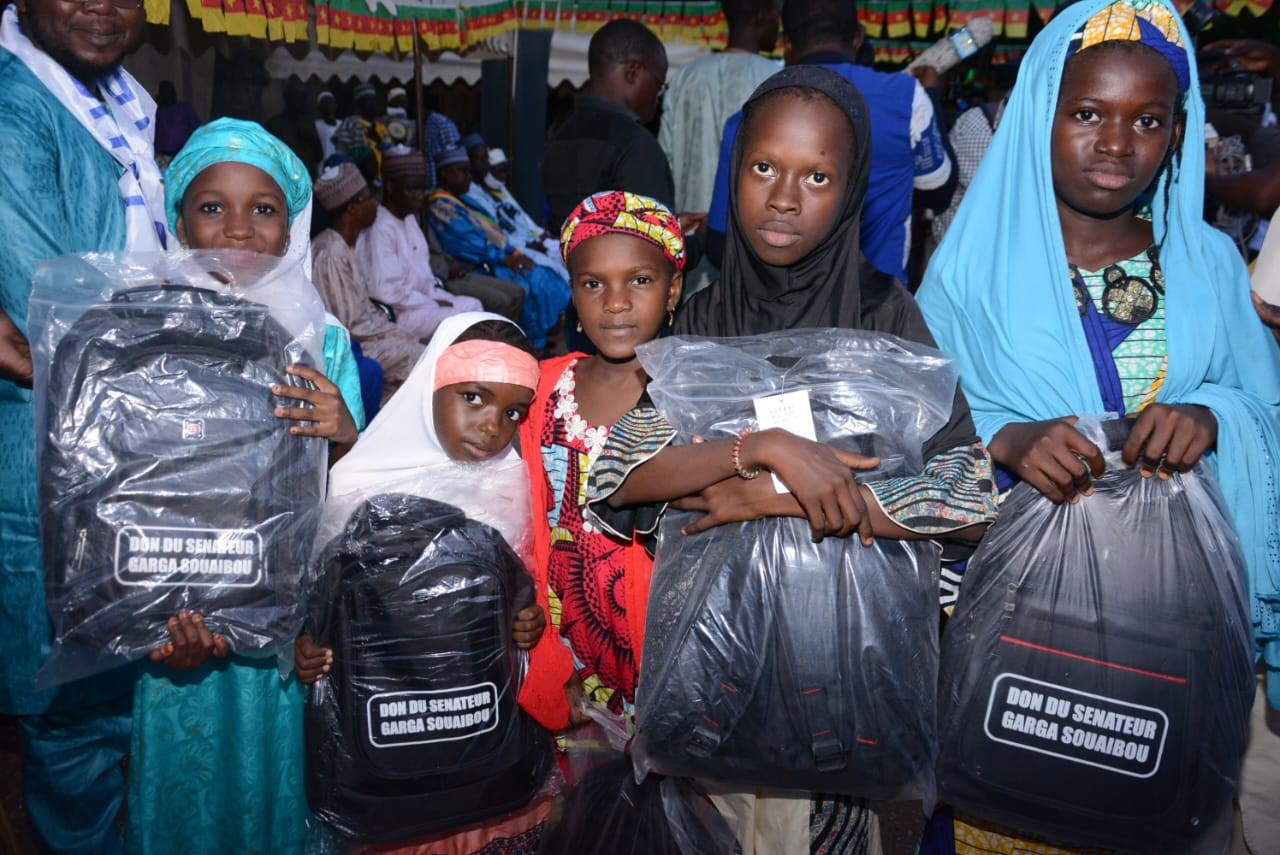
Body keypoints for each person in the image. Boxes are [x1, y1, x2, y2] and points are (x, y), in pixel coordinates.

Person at [589, 67, 997, 855]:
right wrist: (760, 450)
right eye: (763, 167)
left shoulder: (886, 319)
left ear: (851, 191)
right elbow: (617, 479)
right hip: (711, 690)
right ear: (733, 169)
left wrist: (773, 498)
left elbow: (969, 495)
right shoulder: (701, 322)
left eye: (817, 176)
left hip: (848, 690)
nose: (783, 197)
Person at [916, 1, 1280, 850]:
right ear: (1042, 114)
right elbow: (910, 441)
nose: (1116, 145)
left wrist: (1213, 415)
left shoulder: (1210, 265)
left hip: (1173, 644)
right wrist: (1003, 439)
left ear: (1178, 133)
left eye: (1146, 121)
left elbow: (1267, 410)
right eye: (1087, 114)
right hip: (1017, 647)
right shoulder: (969, 275)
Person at [126, 118, 365, 855]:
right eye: (211, 206)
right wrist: (149, 618)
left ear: (291, 224)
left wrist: (344, 428)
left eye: (263, 208)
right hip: (175, 620)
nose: (237, 227)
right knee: (186, 788)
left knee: (277, 776)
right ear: (177, 219)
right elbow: (120, 491)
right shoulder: (142, 330)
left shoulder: (323, 342)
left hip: (282, 631)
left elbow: (354, 499)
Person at [294, 311, 558, 854]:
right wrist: (306, 648)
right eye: (474, 398)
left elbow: (523, 585)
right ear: (429, 387)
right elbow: (320, 597)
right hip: (386, 751)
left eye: (513, 412)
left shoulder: (513, 480)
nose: (492, 426)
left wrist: (527, 619)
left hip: (484, 740)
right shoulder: (360, 479)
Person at [0, 0, 165, 849]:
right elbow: (51, 315)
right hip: (55, 453)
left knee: (114, 705)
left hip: (118, 443)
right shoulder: (16, 106)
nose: (103, 4)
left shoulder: (118, 99)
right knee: (73, 720)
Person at [516, 191, 688, 733]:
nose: (616, 302)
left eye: (639, 280)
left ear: (673, 290)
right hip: (560, 644)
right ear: (572, 293)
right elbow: (516, 512)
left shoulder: (692, 395)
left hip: (665, 652)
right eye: (594, 284)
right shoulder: (541, 387)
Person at [704, 0, 954, 281]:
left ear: (786, 44)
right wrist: (933, 95)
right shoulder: (905, 97)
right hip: (877, 303)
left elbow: (719, 243)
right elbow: (937, 191)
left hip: (778, 309)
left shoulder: (752, 114)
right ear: (857, 37)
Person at [429, 146, 570, 352]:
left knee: (543, 273)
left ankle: (535, 339)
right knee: (532, 281)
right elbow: (469, 245)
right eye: (463, 171)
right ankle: (529, 344)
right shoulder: (440, 205)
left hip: (494, 257)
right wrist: (506, 258)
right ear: (445, 174)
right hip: (478, 265)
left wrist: (512, 253)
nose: (469, 177)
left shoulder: (460, 199)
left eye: (469, 170)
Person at [540, 19, 674, 230]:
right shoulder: (636, 145)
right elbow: (655, 243)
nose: (658, 98)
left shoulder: (558, 135)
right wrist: (700, 242)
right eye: (659, 85)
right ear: (632, 71)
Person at [312, 162, 425, 402]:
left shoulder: (345, 246)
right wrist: (397, 335)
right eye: (369, 198)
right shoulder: (330, 252)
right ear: (353, 208)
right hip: (352, 347)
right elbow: (349, 325)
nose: (376, 204)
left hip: (369, 337)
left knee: (421, 349)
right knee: (423, 359)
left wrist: (400, 334)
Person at [658, 0, 781, 214]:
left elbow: (664, 157)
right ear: (761, 16)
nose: (778, 27)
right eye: (776, 17)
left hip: (689, 223)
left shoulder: (687, 75)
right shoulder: (776, 79)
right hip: (749, 227)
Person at [355, 151, 488, 340]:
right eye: (412, 190)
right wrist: (430, 302)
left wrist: (434, 298)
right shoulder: (380, 227)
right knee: (469, 321)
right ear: (391, 188)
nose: (420, 197)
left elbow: (423, 277)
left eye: (422, 190)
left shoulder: (409, 220)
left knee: (474, 307)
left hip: (424, 302)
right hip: (400, 315)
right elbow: (386, 293)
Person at [483, 146, 567, 280]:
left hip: (535, 240)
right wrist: (531, 244)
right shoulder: (483, 199)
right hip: (518, 247)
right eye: (499, 171)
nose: (504, 175)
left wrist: (542, 236)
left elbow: (524, 220)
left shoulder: (502, 192)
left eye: (506, 170)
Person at [332, 82, 386, 167]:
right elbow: (342, 153)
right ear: (359, 103)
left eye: (374, 100)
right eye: (369, 100)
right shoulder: (350, 123)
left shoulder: (381, 124)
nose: (373, 104)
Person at [153, 79, 200, 162]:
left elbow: (198, 130)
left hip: (182, 154)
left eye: (170, 92)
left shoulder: (185, 109)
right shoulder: (155, 111)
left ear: (174, 93)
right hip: (160, 156)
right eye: (164, 93)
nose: (167, 95)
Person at [421, 95, 461, 189]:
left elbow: (454, 154)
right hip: (431, 183)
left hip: (441, 184)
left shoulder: (441, 123)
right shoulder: (424, 124)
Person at [315, 90, 340, 166]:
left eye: (330, 103)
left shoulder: (343, 125)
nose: (328, 107)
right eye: (325, 104)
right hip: (323, 167)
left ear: (335, 106)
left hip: (341, 166)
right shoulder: (316, 125)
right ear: (320, 108)